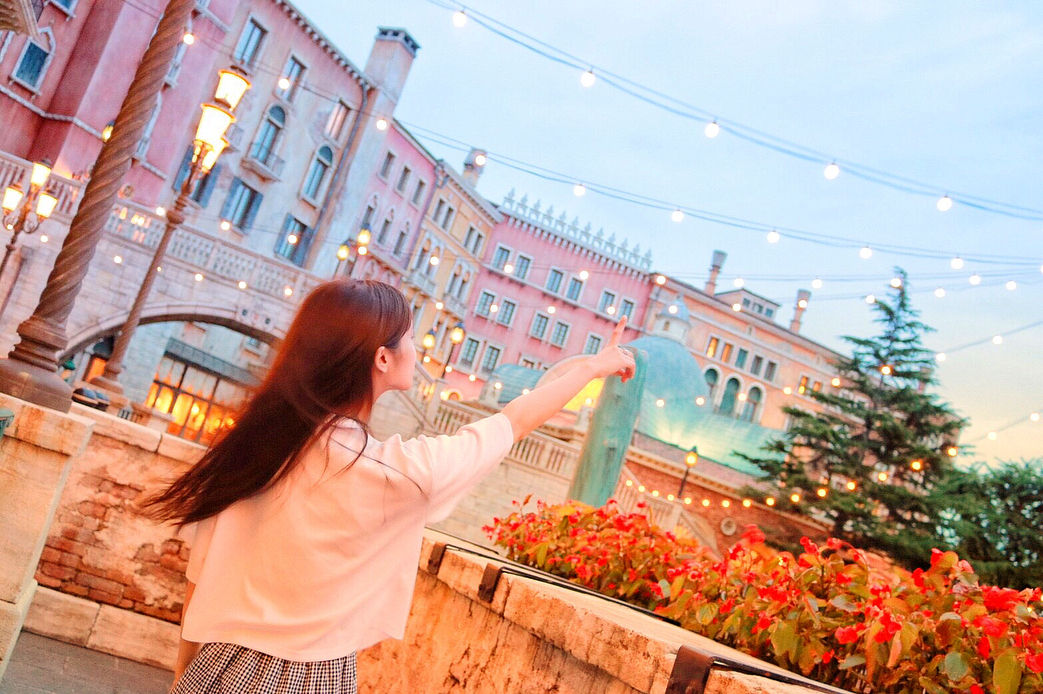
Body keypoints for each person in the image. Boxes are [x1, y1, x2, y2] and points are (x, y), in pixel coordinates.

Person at [145, 279, 635, 693]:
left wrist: (183, 678)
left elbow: (200, 584)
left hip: (218, 668)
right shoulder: (395, 473)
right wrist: (593, 368)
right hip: (310, 676)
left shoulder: (255, 446)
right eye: (410, 338)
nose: (417, 351)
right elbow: (513, 422)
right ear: (381, 358)